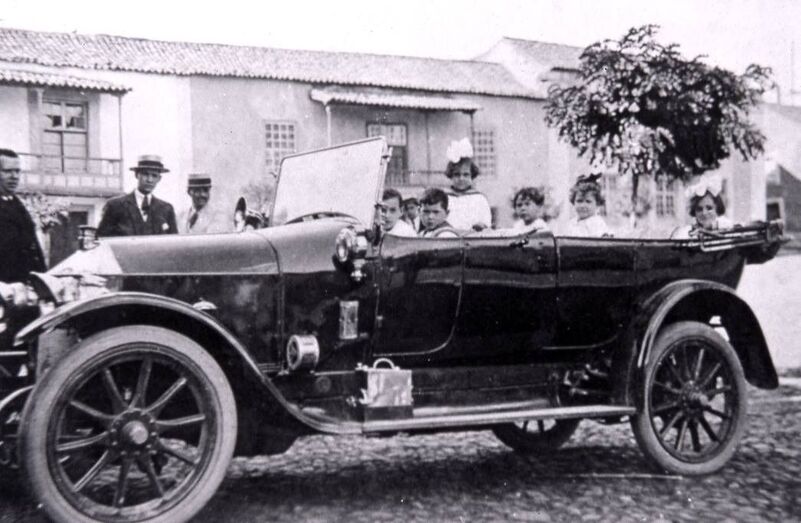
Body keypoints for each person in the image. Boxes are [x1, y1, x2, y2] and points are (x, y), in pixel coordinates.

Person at [97, 155, 178, 237]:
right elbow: (102, 239)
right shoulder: (115, 206)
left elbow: (174, 243)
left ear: (159, 179)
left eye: (154, 176)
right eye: (145, 174)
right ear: (136, 175)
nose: (149, 180)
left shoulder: (166, 209)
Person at [0, 148, 45, 282]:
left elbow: (32, 245)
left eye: (17, 171)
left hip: (26, 285)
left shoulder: (17, 203)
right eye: (7, 171)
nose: (14, 176)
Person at [443, 138, 492, 231]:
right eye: (457, 174)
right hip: (449, 237)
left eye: (466, 175)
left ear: (472, 176)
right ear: (450, 176)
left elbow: (486, 222)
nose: (461, 178)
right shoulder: (445, 198)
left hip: (473, 238)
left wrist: (481, 225)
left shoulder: (479, 198)